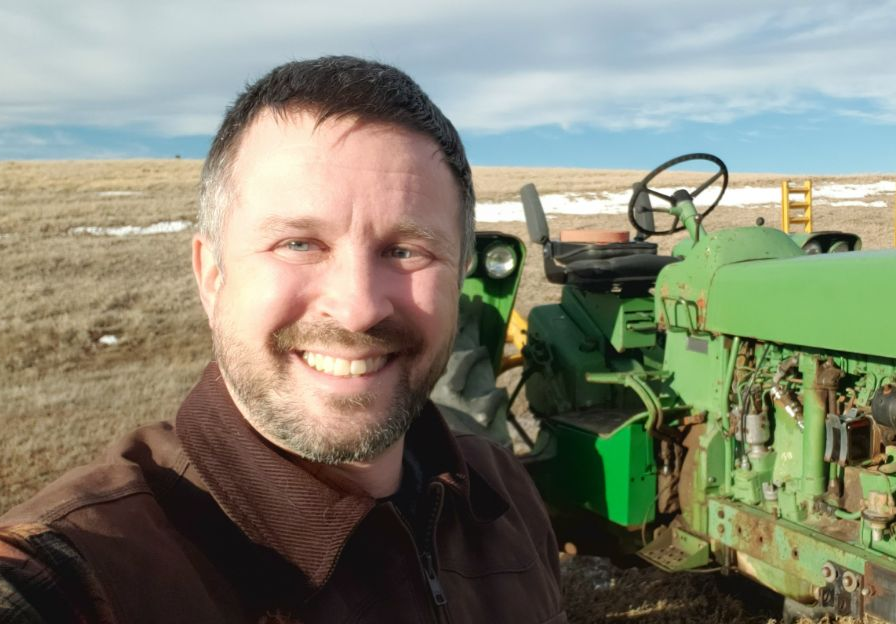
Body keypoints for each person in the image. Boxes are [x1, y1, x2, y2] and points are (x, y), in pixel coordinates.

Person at [0, 56, 566, 623]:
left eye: (406, 250)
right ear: (212, 275)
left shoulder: (504, 496)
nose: (359, 307)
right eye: (299, 243)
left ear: (459, 274)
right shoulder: (93, 567)